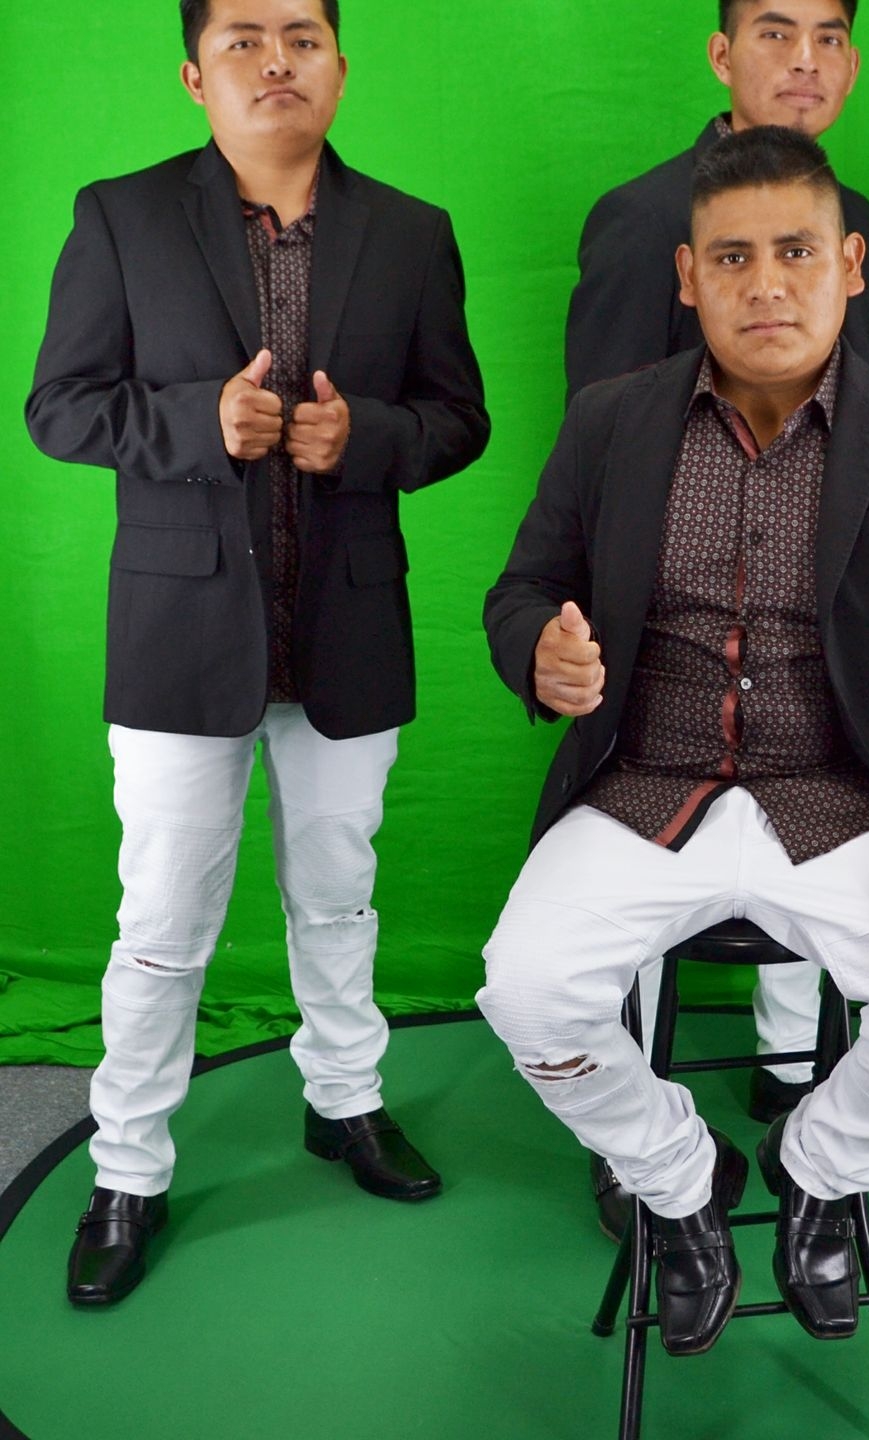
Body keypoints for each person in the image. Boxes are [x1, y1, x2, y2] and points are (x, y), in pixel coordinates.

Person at [480, 126, 869, 1356]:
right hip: (640, 785)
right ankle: (679, 1182)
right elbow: (523, 588)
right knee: (525, 992)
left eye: (794, 252)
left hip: (837, 792)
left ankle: (819, 1173)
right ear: (687, 277)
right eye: (731, 258)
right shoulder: (610, 422)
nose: (765, 284)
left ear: (849, 266)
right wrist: (537, 652)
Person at [25, 0, 489, 1307]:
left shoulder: (412, 232)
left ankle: (344, 1101)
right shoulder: (120, 217)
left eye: (300, 36)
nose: (274, 60)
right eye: (243, 39)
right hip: (179, 638)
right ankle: (128, 1168)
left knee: (337, 894)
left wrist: (368, 440)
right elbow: (59, 406)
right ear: (195, 74)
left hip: (347, 625)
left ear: (339, 64)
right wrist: (197, 422)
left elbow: (457, 417)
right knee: (163, 920)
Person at [565, 0, 869, 1234]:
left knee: (819, 806)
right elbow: (601, 460)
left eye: (827, 36)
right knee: (643, 841)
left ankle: (793, 1085)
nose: (803, 61)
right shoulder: (641, 218)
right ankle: (635, 1144)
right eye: (775, 33)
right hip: (674, 648)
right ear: (722, 55)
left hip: (820, 649)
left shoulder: (858, 220)